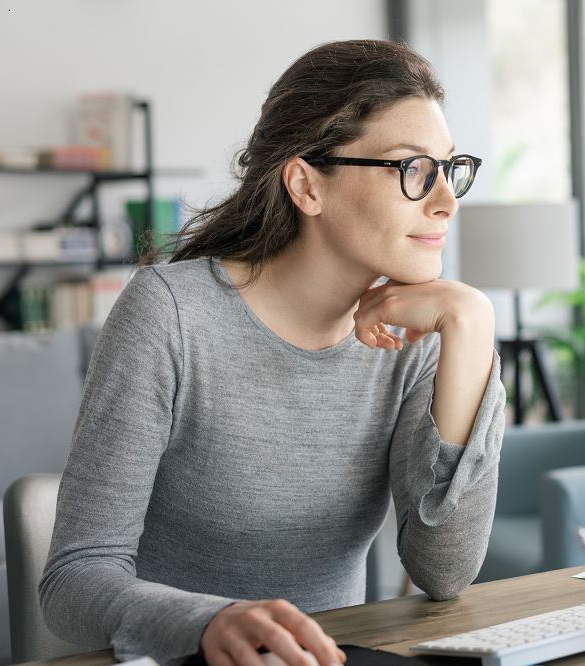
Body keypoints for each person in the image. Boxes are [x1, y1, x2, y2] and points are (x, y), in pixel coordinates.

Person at [39, 40, 505, 666]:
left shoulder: (417, 336)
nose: (446, 199)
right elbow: (75, 578)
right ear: (306, 185)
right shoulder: (171, 315)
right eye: (412, 169)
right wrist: (213, 620)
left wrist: (472, 329)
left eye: (450, 168)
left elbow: (443, 571)